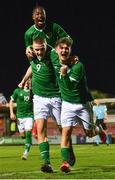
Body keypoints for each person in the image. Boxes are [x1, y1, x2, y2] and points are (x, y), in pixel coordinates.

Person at [50, 37, 102, 173]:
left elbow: (70, 86)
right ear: (56, 50)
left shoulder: (78, 66)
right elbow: (44, 43)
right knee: (65, 132)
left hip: (83, 104)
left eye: (67, 48)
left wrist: (64, 74)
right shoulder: (54, 57)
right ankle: (65, 163)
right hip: (67, 104)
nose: (64, 50)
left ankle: (99, 129)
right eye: (61, 48)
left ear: (70, 50)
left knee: (90, 133)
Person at [9, 79, 33, 160]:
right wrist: (12, 113)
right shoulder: (17, 91)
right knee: (23, 136)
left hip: (29, 116)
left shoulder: (32, 92)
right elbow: (11, 101)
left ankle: (25, 153)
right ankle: (27, 141)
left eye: (29, 81)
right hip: (20, 116)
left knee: (28, 132)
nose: (27, 82)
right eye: (26, 80)